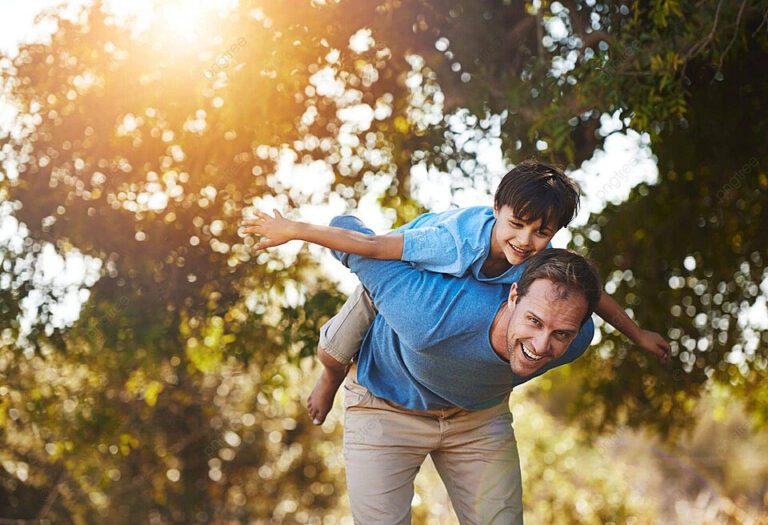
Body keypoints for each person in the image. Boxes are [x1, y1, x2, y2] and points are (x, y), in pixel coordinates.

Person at [241, 161, 671, 424]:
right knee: (335, 350)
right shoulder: (450, 242)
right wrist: (293, 229)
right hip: (401, 264)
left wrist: (638, 335)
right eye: (516, 225)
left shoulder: (542, 261)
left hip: (448, 294)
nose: (526, 240)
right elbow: (373, 248)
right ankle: (331, 379)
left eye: (542, 233)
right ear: (496, 209)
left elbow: (593, 297)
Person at [328, 214, 600, 524]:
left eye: (561, 333)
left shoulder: (578, 339)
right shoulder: (429, 313)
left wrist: (638, 334)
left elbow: (586, 295)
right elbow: (347, 231)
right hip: (386, 405)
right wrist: (296, 229)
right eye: (534, 322)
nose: (540, 346)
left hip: (477, 418)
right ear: (513, 298)